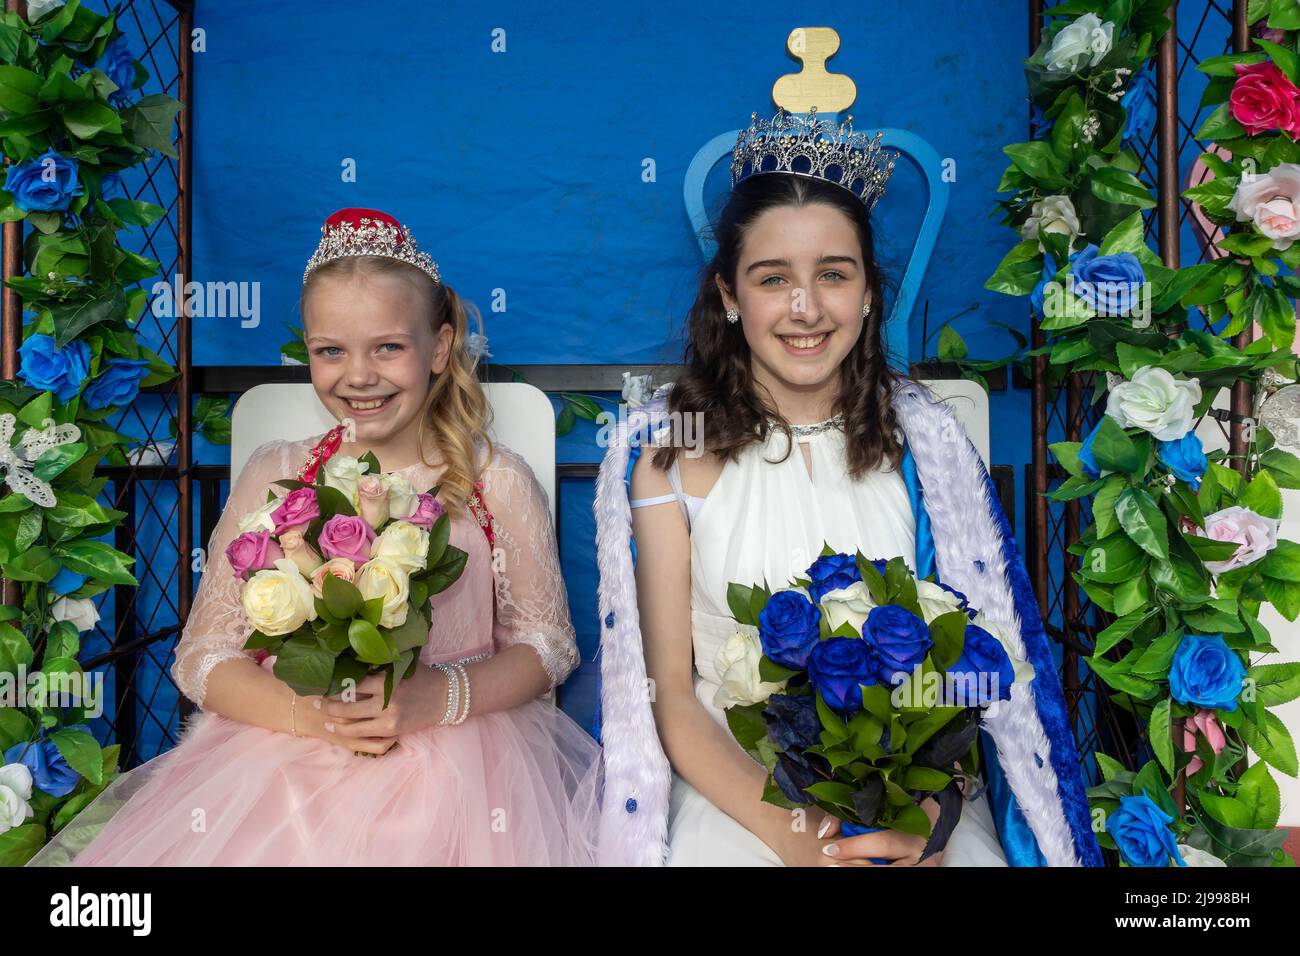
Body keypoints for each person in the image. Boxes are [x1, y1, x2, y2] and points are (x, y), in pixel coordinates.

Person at [593, 110, 1102, 867]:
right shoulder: (672, 454)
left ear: (868, 291)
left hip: (914, 795)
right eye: (774, 280)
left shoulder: (923, 449)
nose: (807, 309)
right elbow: (669, 688)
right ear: (729, 295)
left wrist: (929, 823)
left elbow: (966, 676)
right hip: (741, 795)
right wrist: (798, 838)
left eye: (834, 274)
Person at [29, 207, 601, 866]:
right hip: (287, 750)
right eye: (331, 351)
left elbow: (547, 644)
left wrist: (439, 698)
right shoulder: (277, 473)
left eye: (389, 347)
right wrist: (313, 718)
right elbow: (202, 658)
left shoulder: (494, 481)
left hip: (461, 753)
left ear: (440, 348)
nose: (359, 376)